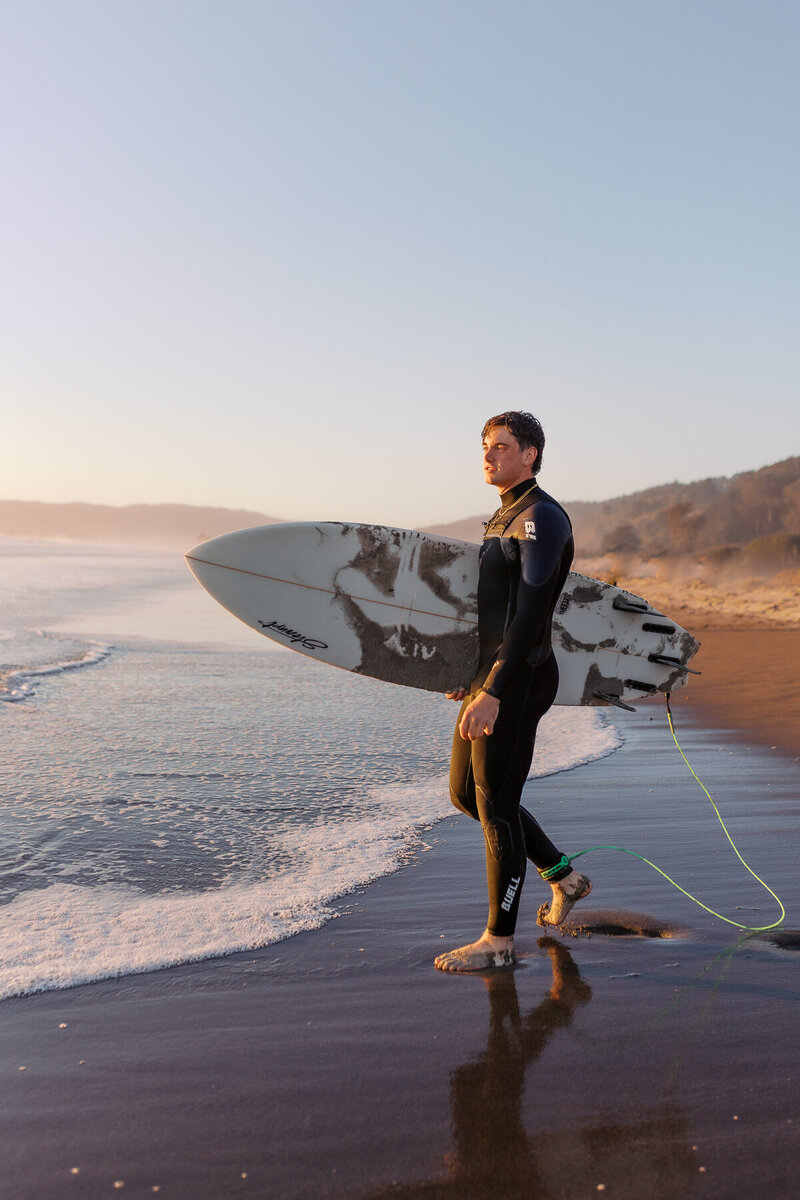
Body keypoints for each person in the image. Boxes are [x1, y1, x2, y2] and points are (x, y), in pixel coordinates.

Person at [434, 411, 592, 973]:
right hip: (494, 675)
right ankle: (565, 879)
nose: (489, 455)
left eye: (501, 446)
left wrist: (496, 688)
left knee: (497, 803)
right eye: (485, 446)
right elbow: (491, 617)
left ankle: (499, 940)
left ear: (530, 454)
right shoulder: (503, 517)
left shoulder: (540, 519)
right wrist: (473, 680)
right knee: (465, 795)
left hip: (521, 676)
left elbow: (528, 616)